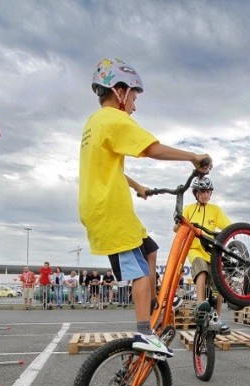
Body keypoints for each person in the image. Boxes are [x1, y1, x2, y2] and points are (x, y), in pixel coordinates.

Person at [79, 57, 211, 357]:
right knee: (138, 271)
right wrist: (192, 156)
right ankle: (144, 333)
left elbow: (104, 167)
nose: (135, 107)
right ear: (120, 91)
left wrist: (136, 185)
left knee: (149, 248)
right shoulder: (115, 119)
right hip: (109, 209)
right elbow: (150, 148)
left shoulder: (93, 123)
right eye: (134, 98)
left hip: (98, 203)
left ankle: (153, 302)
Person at [177, 176, 232, 332]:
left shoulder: (215, 210)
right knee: (201, 270)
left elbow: (229, 226)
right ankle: (201, 306)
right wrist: (178, 221)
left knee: (220, 286)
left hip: (210, 250)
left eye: (208, 191)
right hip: (194, 249)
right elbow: (177, 229)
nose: (205, 194)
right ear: (196, 193)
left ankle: (217, 319)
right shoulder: (188, 208)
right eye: (202, 191)